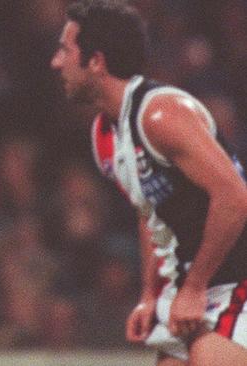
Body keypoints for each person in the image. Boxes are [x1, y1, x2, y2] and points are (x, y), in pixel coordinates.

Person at [51, 1, 247, 365]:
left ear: (96, 61)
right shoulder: (104, 135)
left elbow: (235, 198)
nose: (56, 62)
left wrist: (194, 287)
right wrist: (150, 294)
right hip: (196, 283)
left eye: (65, 50)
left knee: (209, 356)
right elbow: (150, 214)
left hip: (235, 280)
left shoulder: (161, 115)